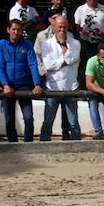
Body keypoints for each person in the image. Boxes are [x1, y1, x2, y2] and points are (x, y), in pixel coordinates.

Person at [0, 20, 43, 143]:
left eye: (18, 30)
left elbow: (33, 64)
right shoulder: (1, 44)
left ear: (22, 31)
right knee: (9, 118)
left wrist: (37, 84)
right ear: (8, 30)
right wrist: (5, 84)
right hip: (8, 85)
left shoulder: (27, 44)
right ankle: (12, 144)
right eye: (13, 29)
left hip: (24, 85)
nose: (16, 32)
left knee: (28, 117)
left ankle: (28, 143)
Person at [38, 14, 82, 142]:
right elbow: (48, 65)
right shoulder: (46, 45)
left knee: (73, 121)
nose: (62, 30)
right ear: (54, 27)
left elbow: (72, 58)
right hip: (53, 87)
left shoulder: (75, 43)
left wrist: (63, 44)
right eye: (59, 27)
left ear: (68, 27)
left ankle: (77, 146)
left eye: (64, 27)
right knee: (48, 121)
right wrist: (64, 62)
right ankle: (43, 144)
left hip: (71, 87)